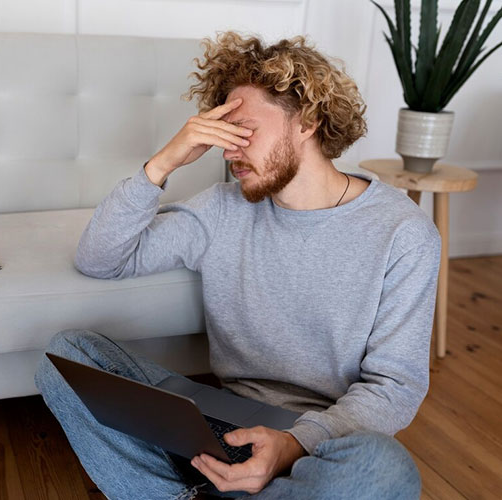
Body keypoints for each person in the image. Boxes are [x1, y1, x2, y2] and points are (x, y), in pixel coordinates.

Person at [35, 32, 440, 500]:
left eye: (243, 130)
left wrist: (292, 445)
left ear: (307, 120)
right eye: (222, 134)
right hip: (220, 424)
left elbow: (395, 387)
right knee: (65, 355)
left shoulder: (402, 232)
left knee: (383, 469)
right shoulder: (221, 210)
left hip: (320, 442)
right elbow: (100, 260)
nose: (229, 152)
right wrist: (163, 164)